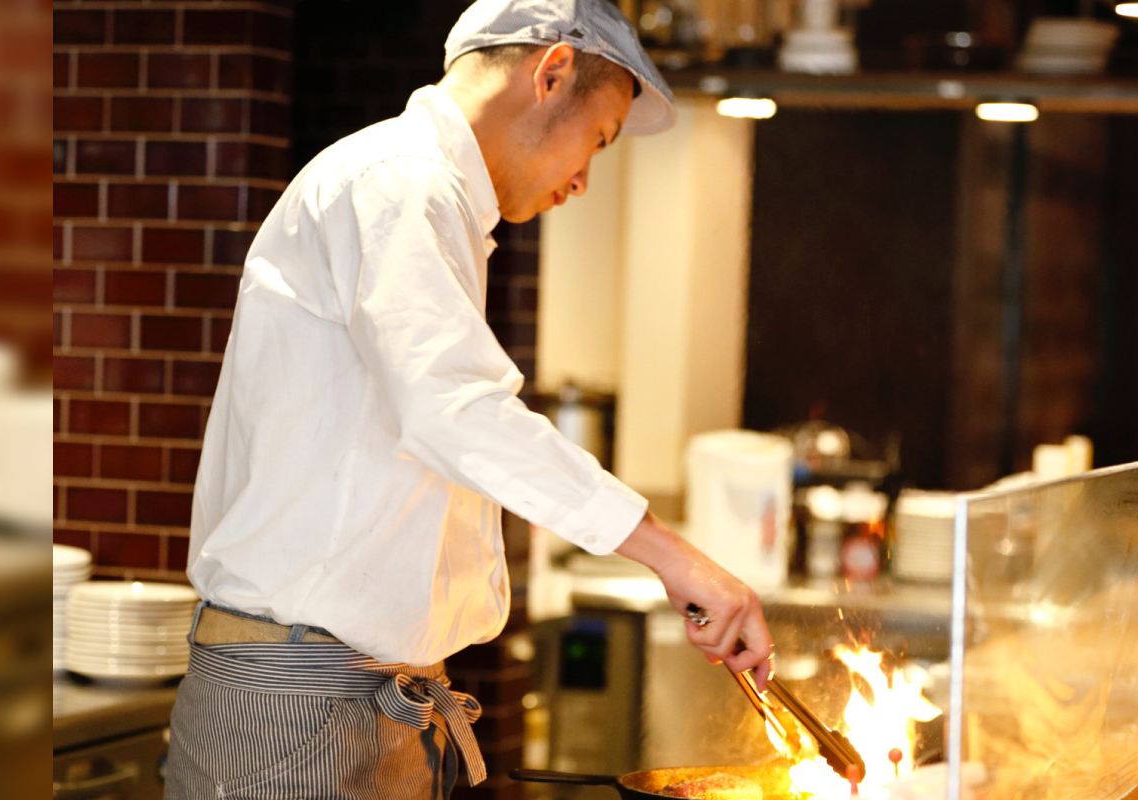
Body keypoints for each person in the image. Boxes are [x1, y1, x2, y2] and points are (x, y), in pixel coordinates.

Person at [164, 1, 774, 798]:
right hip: (298, 703)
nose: (585, 180)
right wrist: (675, 557)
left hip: (366, 700)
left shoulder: (431, 203)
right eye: (597, 139)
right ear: (552, 72)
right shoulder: (395, 183)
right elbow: (451, 407)